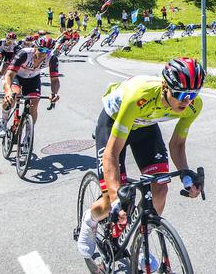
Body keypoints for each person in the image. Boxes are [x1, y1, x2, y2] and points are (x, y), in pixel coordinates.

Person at [77, 58, 205, 262]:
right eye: (180, 94)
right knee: (114, 198)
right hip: (114, 123)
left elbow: (177, 145)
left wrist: (186, 177)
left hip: (145, 127)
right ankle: (90, 220)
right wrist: (117, 197)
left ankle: (141, 240)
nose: (186, 101)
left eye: (192, 95)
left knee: (161, 188)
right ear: (165, 86)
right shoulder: (139, 96)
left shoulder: (193, 106)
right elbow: (111, 153)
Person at [0, 36, 60, 137]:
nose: (43, 53)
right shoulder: (24, 53)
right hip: (16, 76)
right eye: (41, 49)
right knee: (13, 96)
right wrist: (8, 91)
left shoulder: (52, 58)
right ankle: (3, 121)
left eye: (47, 51)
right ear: (35, 47)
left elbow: (55, 79)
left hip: (32, 79)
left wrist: (54, 93)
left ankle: (29, 133)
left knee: (34, 103)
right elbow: (9, 74)